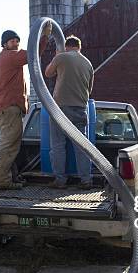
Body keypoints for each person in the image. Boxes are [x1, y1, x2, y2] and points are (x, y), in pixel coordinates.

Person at [0, 22, 52, 190]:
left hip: (5, 108)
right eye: (12, 41)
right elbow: (33, 55)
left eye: (17, 41)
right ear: (4, 44)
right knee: (9, 146)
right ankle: (2, 180)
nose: (16, 44)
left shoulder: (0, 60)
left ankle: (10, 176)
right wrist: (44, 37)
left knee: (10, 144)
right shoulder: (10, 56)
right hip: (10, 107)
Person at [44, 35, 94, 189]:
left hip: (60, 108)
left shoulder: (62, 57)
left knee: (58, 145)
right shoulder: (88, 63)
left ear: (66, 46)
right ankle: (86, 180)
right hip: (80, 108)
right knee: (82, 147)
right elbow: (89, 90)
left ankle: (60, 180)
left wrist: (57, 57)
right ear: (79, 47)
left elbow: (47, 73)